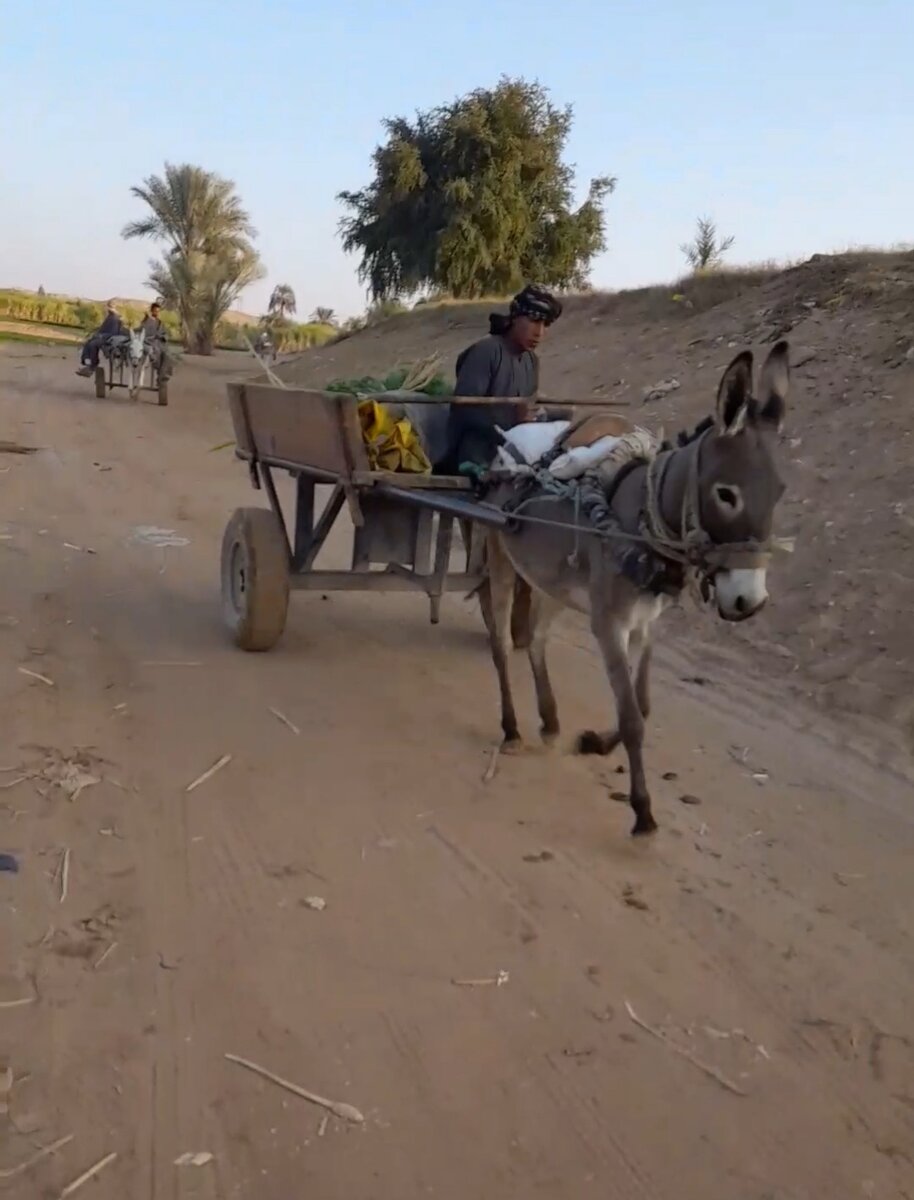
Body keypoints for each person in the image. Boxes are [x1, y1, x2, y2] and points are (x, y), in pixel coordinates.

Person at [444, 283, 564, 472]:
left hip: (514, 450)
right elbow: (465, 408)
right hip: (476, 455)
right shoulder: (487, 351)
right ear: (516, 318)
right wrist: (510, 431)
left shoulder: (531, 361)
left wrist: (531, 418)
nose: (539, 332)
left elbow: (526, 408)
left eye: (545, 324)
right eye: (534, 320)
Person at [76, 301, 125, 376]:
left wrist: (100, 336)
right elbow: (102, 329)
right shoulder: (110, 317)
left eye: (108, 307)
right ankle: (88, 364)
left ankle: (93, 365)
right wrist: (95, 333)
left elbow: (113, 333)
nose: (106, 309)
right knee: (88, 342)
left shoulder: (114, 318)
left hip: (110, 339)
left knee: (93, 344)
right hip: (104, 337)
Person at [136, 302, 172, 380]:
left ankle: (162, 374)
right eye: (155, 311)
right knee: (157, 353)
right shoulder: (146, 321)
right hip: (148, 342)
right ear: (152, 311)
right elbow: (142, 331)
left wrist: (164, 337)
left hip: (158, 342)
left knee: (167, 354)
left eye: (158, 311)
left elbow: (165, 332)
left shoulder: (160, 322)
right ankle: (161, 373)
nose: (157, 313)